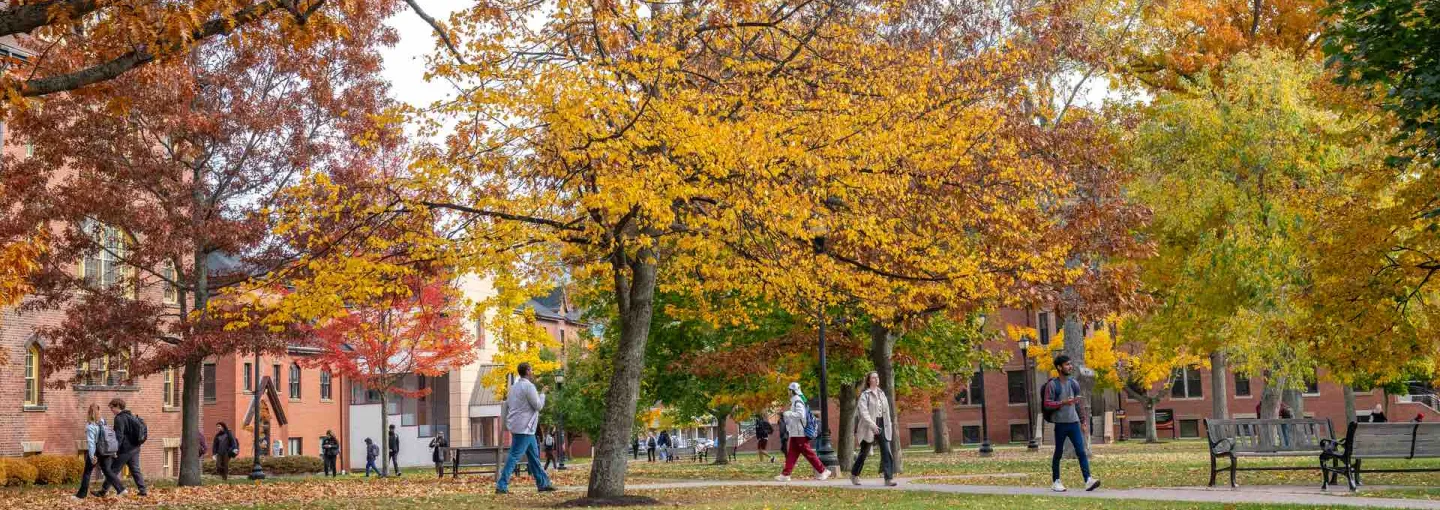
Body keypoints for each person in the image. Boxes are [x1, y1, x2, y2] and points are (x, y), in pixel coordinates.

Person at [496, 362, 556, 494]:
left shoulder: (513, 387)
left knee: (534, 458)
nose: (532, 372)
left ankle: (543, 483)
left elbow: (512, 405)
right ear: (528, 371)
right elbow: (538, 406)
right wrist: (543, 394)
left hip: (522, 427)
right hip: (525, 428)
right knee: (513, 457)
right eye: (531, 369)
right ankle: (501, 485)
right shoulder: (529, 387)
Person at [1042, 356, 1100, 492]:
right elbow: (1047, 404)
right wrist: (1063, 402)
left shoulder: (1074, 383)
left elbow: (1078, 403)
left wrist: (1083, 421)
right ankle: (1056, 481)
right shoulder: (1052, 385)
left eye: (1070, 364)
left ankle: (1088, 480)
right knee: (1058, 453)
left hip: (1073, 423)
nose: (1070, 366)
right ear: (1059, 367)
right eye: (1067, 364)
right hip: (1060, 424)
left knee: (1081, 451)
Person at [775, 382, 832, 482]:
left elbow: (801, 415)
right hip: (796, 432)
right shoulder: (796, 401)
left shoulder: (797, 401)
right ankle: (785, 474)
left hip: (800, 432)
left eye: (789, 390)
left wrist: (787, 413)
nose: (788, 392)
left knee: (808, 453)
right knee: (792, 454)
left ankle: (823, 471)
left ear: (792, 391)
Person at [851, 371, 897, 486]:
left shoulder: (882, 393)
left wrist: (888, 424)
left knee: (886, 451)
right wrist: (872, 425)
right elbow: (863, 412)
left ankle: (888, 478)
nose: (876, 379)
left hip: (882, 424)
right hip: (869, 425)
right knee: (864, 453)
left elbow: (886, 412)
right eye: (873, 377)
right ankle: (854, 474)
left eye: (877, 377)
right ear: (868, 380)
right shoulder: (865, 395)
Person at [76, 403, 126, 499]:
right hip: (106, 450)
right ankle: (121, 489)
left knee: (87, 472)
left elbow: (91, 443)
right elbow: (109, 437)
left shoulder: (90, 426)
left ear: (89, 413)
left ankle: (81, 495)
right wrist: (113, 451)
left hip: (96, 451)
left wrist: (92, 456)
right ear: (99, 411)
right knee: (107, 470)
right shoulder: (103, 422)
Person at [101, 398, 148, 497]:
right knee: (135, 469)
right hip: (135, 448)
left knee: (113, 470)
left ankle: (104, 490)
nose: (111, 410)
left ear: (118, 406)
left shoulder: (119, 418)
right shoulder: (130, 415)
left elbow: (119, 436)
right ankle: (142, 490)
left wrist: (115, 450)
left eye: (112, 408)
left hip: (125, 449)